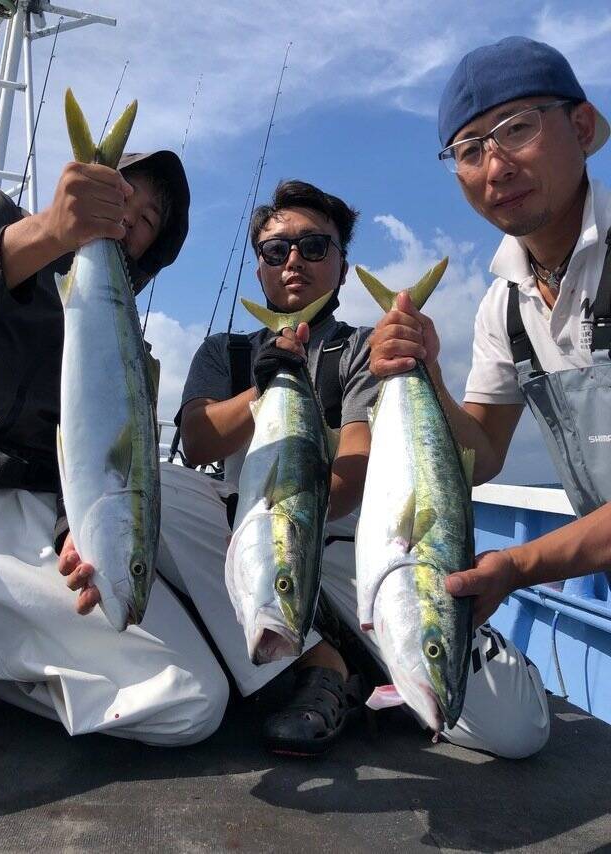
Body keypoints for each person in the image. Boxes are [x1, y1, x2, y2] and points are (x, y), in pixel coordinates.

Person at [0, 150, 232, 746]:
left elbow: (91, 461)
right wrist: (43, 234)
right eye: (121, 194)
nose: (125, 218)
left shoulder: (126, 352)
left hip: (22, 525)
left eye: (143, 222)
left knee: (193, 700)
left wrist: (75, 532)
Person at [371, 35, 611, 626]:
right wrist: (426, 376)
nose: (496, 167)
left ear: (581, 128)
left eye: (518, 128)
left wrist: (518, 565)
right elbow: (484, 453)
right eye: (470, 149)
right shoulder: (502, 305)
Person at [173, 179, 376, 755]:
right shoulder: (227, 353)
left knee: (505, 724)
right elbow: (198, 444)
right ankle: (322, 662)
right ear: (259, 268)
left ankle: (307, 651)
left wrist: (289, 516)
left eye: (315, 247)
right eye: (276, 250)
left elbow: (350, 479)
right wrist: (263, 388)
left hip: (339, 550)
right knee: (154, 488)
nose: (295, 261)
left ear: (340, 265)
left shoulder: (360, 351)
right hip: (244, 535)